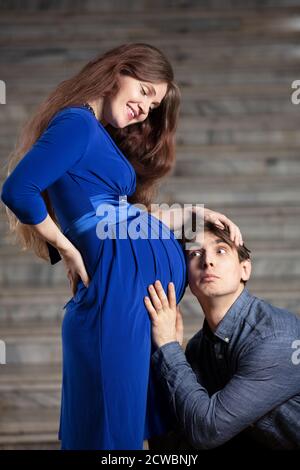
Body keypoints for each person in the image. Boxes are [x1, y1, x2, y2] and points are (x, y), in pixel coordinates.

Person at [1, 43, 243, 450]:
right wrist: (69, 248)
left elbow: (120, 218)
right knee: (112, 430)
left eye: (154, 105)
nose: (145, 109)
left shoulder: (92, 129)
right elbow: (17, 189)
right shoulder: (76, 123)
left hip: (129, 296)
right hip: (117, 293)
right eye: (146, 92)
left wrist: (197, 213)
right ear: (119, 71)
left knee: (123, 423)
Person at [144, 221, 300, 449]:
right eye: (195, 253)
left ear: (244, 269)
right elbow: (178, 441)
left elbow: (206, 431)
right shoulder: (199, 346)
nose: (207, 261)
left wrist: (169, 348)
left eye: (221, 250)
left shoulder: (275, 337)